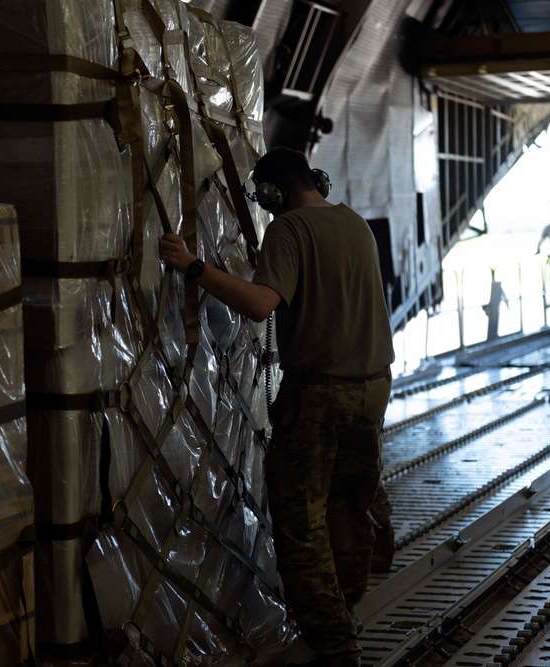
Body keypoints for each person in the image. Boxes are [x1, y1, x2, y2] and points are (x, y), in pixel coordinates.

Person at [159, 147, 395, 667]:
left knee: (301, 523)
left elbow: (260, 304)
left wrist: (194, 267)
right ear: (316, 181)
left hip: (319, 395)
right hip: (373, 386)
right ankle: (347, 612)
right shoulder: (353, 222)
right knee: (349, 506)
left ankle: (335, 649)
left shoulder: (287, 230)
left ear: (273, 194)